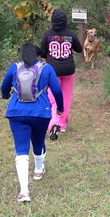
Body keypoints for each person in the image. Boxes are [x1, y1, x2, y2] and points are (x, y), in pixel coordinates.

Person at [1, 44, 64, 202]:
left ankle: (24, 192)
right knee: (38, 141)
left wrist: (5, 96)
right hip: (41, 112)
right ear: (38, 55)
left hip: (17, 113)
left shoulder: (14, 67)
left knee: (21, 149)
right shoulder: (47, 68)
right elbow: (56, 90)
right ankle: (37, 170)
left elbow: (4, 87)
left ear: (21, 55)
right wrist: (60, 109)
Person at [40, 9, 83, 140]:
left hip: (52, 71)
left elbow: (42, 52)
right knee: (66, 97)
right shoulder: (70, 34)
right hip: (68, 69)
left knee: (53, 98)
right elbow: (79, 49)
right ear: (65, 20)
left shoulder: (47, 34)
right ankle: (62, 124)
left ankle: (54, 122)